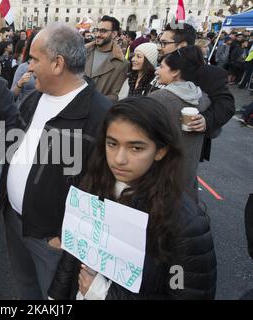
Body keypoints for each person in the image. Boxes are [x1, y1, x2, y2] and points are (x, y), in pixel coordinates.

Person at [48, 97, 217, 300]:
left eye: (136, 148)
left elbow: (183, 292)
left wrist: (103, 295)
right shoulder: (93, 186)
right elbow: (74, 255)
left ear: (161, 151)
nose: (119, 159)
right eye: (112, 144)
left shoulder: (185, 224)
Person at [0, 24, 112, 300]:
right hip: (15, 222)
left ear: (58, 63)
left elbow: (102, 189)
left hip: (52, 239)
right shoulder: (35, 98)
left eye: (35, 59)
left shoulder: (101, 115)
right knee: (25, 289)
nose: (29, 67)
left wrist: (66, 234)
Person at [158, 23, 235, 162]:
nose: (160, 47)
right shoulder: (160, 68)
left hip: (185, 151)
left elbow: (226, 105)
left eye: (164, 43)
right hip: (155, 140)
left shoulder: (210, 74)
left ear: (182, 45)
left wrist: (206, 120)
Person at [149, 46, 211, 200]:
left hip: (159, 176)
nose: (157, 71)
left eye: (162, 67)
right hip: (187, 177)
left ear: (175, 72)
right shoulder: (204, 97)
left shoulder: (157, 99)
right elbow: (214, 131)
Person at [84, 16, 128, 103]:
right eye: (97, 30)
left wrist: (96, 101)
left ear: (114, 34)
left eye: (103, 31)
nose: (97, 34)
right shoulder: (82, 52)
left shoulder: (121, 64)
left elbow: (115, 95)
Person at [11, 31, 37, 108]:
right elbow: (11, 95)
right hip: (24, 111)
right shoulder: (23, 67)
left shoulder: (50, 68)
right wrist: (20, 83)